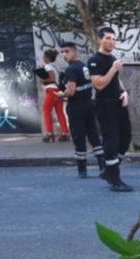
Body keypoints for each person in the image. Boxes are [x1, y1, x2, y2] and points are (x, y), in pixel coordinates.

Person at [88, 26, 133, 192]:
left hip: (118, 103)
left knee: (125, 138)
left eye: (114, 39)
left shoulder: (112, 58)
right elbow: (99, 84)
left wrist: (124, 92)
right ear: (100, 39)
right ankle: (114, 179)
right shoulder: (94, 60)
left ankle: (108, 170)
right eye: (108, 38)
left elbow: (116, 80)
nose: (111, 42)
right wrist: (113, 68)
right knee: (111, 142)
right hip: (105, 105)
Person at [58, 42, 104, 179]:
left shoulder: (71, 69)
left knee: (79, 138)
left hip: (76, 107)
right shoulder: (84, 66)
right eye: (62, 52)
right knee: (94, 136)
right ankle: (102, 166)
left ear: (74, 52)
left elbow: (71, 91)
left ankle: (82, 170)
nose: (64, 55)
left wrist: (61, 95)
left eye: (67, 51)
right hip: (89, 104)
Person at [38, 48, 69, 143]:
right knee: (60, 112)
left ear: (47, 57)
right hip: (58, 91)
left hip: (51, 91)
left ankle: (49, 133)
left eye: (44, 56)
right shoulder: (56, 66)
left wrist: (43, 80)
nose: (43, 58)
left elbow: (52, 78)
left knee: (46, 111)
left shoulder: (48, 67)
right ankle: (64, 133)